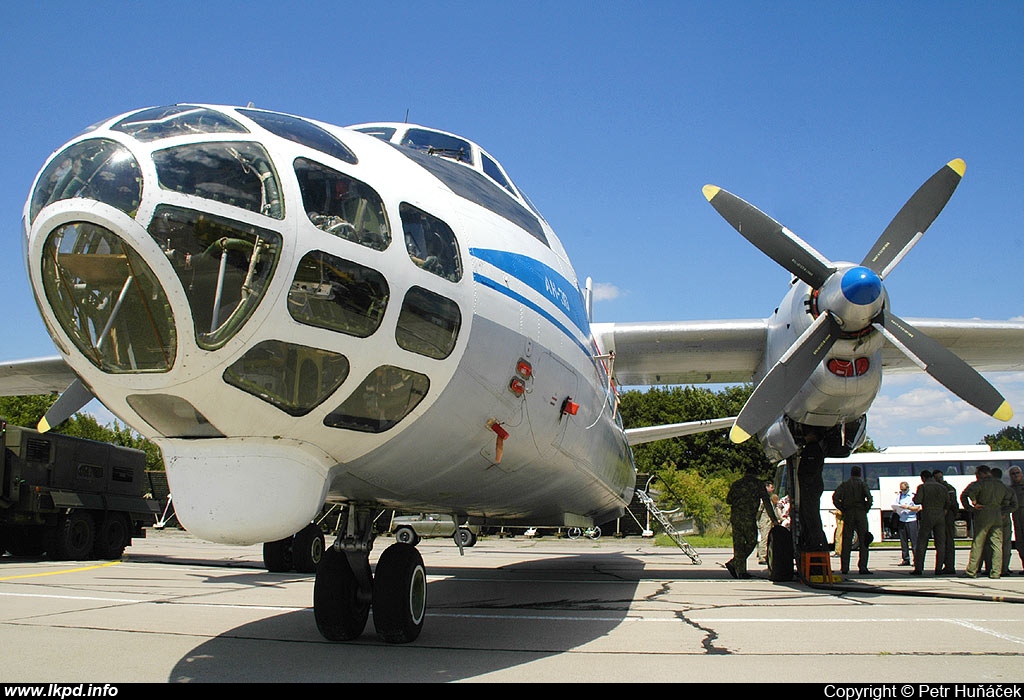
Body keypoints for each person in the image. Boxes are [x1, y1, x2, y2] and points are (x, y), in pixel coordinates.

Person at [961, 465, 1012, 579]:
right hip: (997, 514)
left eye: (977, 474)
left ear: (981, 473)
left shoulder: (979, 484)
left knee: (978, 543)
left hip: (983, 513)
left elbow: (966, 494)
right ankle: (996, 572)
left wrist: (972, 505)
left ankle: (971, 570)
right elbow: (1009, 499)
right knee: (997, 544)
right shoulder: (1001, 485)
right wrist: (1003, 511)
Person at [726, 466, 775, 579]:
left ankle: (739, 569)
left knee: (738, 545)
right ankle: (737, 567)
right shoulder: (758, 484)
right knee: (752, 541)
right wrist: (773, 519)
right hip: (748, 518)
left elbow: (728, 500)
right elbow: (767, 502)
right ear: (755, 474)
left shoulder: (736, 484)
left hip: (736, 518)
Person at [832, 465, 873, 575]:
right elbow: (869, 498)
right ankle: (863, 567)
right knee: (864, 540)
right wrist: (866, 509)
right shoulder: (863, 484)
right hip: (860, 513)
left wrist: (842, 508)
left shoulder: (845, 485)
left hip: (849, 512)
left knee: (846, 540)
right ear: (859, 473)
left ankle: (845, 567)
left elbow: (835, 497)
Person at [912, 470, 948, 576]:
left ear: (923, 477)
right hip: (940, 515)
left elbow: (917, 500)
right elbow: (948, 501)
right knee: (941, 543)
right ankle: (939, 568)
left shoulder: (923, 487)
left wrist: (915, 497)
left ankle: (918, 568)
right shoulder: (942, 487)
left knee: (922, 542)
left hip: (927, 515)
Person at [931, 470, 959, 575]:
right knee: (945, 542)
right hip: (947, 515)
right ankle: (948, 565)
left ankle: (948, 566)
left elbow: (952, 502)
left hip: (945, 516)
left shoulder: (945, 488)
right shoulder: (948, 488)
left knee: (944, 542)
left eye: (940, 477)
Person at [892, 481, 921, 566]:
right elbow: (895, 504)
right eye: (901, 489)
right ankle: (905, 559)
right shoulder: (899, 496)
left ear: (907, 488)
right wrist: (896, 509)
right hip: (902, 519)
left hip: (911, 520)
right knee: (903, 542)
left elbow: (918, 508)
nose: (903, 491)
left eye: (904, 489)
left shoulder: (912, 496)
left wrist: (908, 507)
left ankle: (916, 560)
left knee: (914, 541)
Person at [756, 483, 778, 565]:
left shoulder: (769, 498)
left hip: (769, 521)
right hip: (765, 521)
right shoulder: (763, 500)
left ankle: (767, 556)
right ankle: (762, 557)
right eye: (771, 487)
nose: (773, 489)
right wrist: (757, 521)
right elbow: (759, 511)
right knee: (764, 539)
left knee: (768, 539)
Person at [1009, 466, 1024, 573]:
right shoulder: (1010, 489)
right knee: (1020, 543)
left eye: (1017, 473)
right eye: (1013, 474)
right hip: (1017, 516)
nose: (1015, 475)